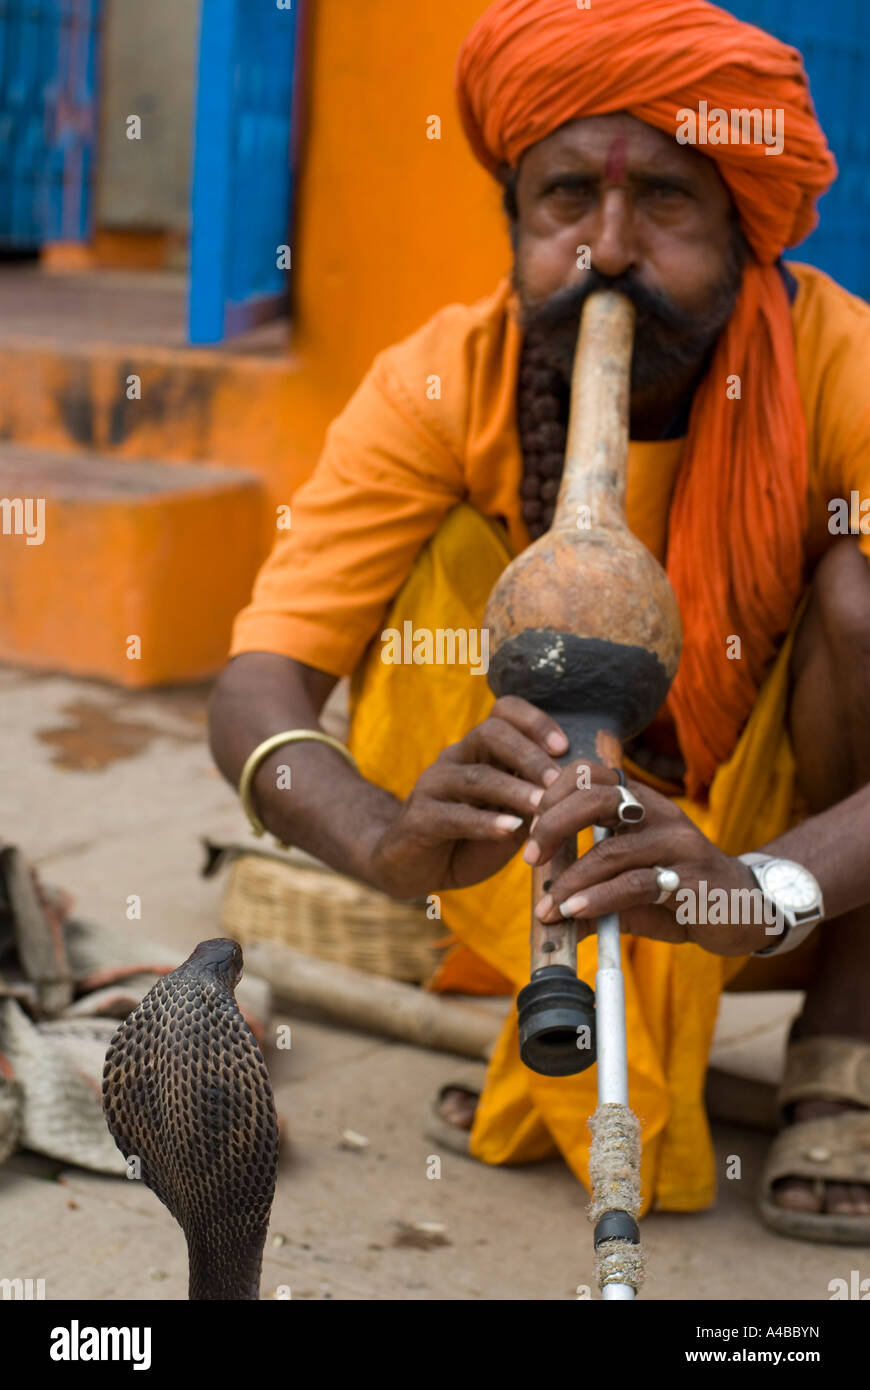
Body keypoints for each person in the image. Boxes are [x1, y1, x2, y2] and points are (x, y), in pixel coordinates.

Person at [209, 0, 870, 1243]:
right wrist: (383, 837)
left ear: (743, 219)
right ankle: (540, 968)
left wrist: (759, 887)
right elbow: (256, 690)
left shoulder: (843, 366)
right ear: (514, 219)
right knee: (439, 571)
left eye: (666, 200)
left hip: (789, 875)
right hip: (530, 840)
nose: (608, 249)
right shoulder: (437, 378)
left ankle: (848, 1027)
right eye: (566, 198)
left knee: (861, 598)